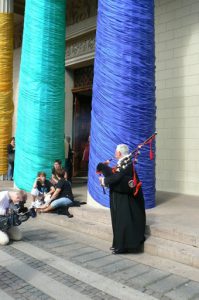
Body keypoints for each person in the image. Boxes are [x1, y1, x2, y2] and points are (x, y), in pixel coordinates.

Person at [98, 144, 146, 254]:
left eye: (116, 152)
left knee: (123, 222)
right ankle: (118, 244)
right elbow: (115, 175)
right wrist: (104, 168)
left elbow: (118, 177)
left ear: (119, 153)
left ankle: (123, 246)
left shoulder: (126, 164)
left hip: (125, 199)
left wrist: (104, 181)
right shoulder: (124, 163)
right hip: (118, 197)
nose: (115, 153)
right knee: (118, 221)